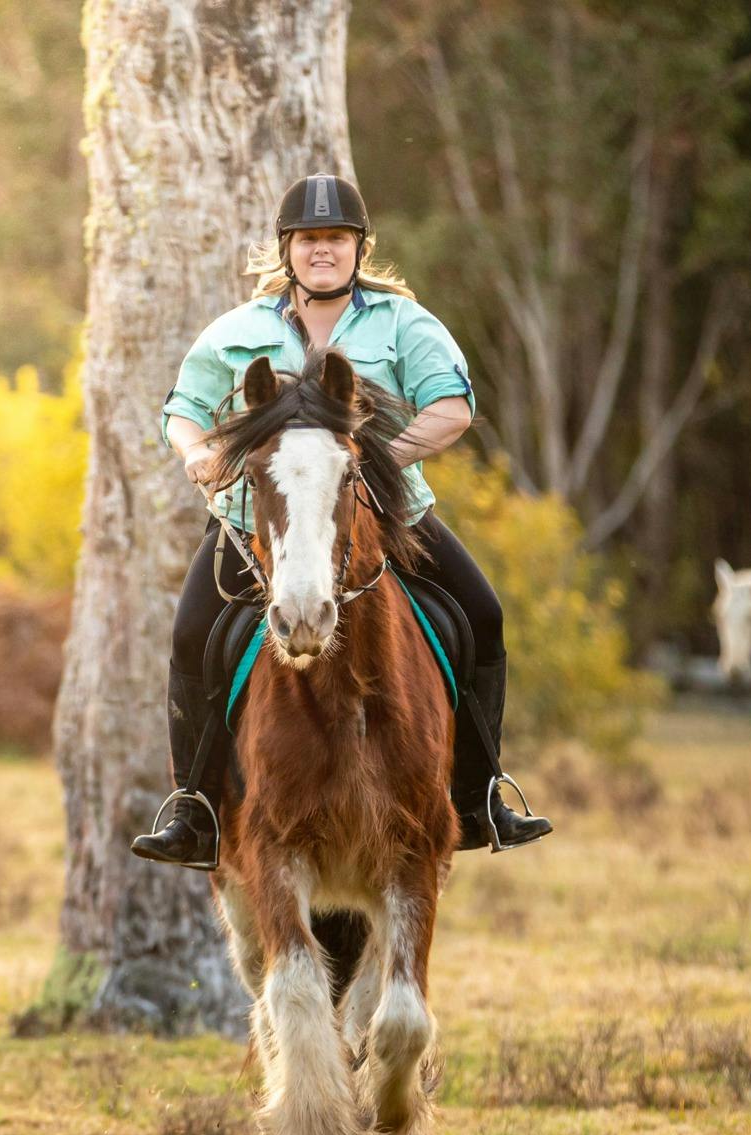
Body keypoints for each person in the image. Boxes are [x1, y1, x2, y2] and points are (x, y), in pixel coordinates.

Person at [129, 174, 552, 870]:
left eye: (335, 238)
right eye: (309, 240)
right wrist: (201, 454)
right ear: (286, 249)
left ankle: (479, 799)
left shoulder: (404, 325)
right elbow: (182, 411)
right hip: (254, 525)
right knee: (189, 636)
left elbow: (452, 407)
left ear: (359, 247)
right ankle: (195, 809)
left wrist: (376, 458)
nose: (322, 251)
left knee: (483, 613)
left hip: (386, 520)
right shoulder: (237, 332)